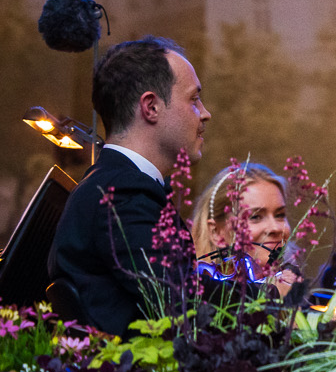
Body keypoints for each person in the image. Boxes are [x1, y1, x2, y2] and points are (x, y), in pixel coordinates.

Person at [46, 37, 211, 334]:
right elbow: (183, 300)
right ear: (151, 107)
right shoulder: (122, 194)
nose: (205, 113)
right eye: (194, 99)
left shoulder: (113, 186)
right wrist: (272, 294)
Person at [192, 162, 298, 291]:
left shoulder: (295, 289)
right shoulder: (193, 295)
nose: (275, 228)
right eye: (255, 217)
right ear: (216, 232)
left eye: (280, 215)